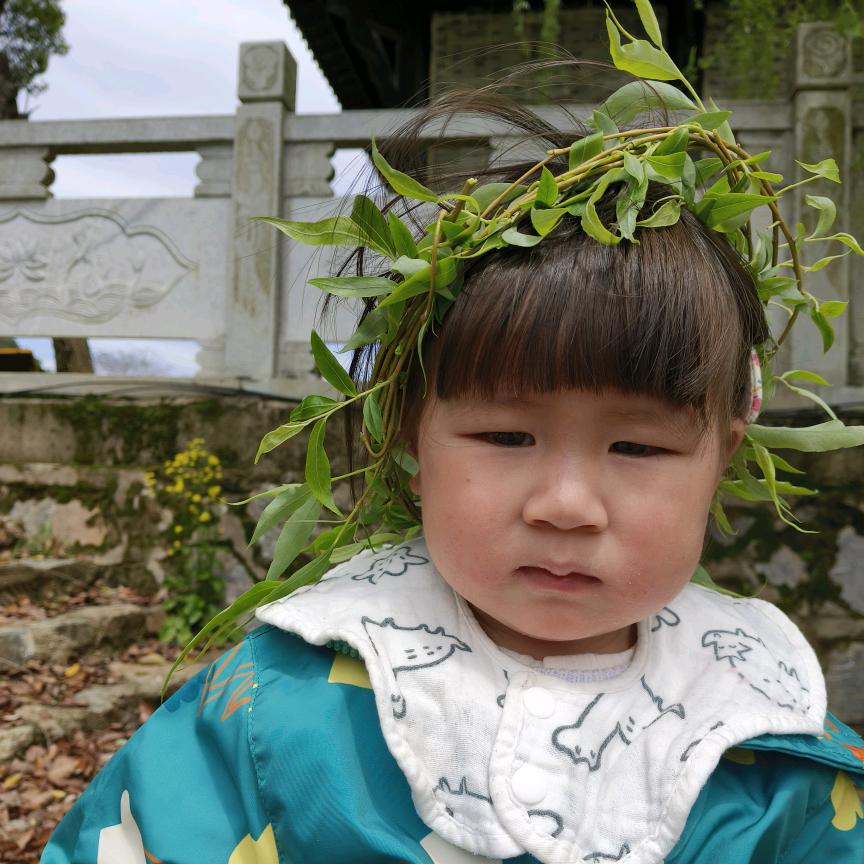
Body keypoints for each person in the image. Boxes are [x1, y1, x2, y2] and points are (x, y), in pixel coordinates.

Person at [42, 8, 864, 864]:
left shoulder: (780, 748)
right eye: (507, 437)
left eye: (638, 448)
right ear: (407, 435)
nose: (566, 504)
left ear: (723, 458)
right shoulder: (276, 709)